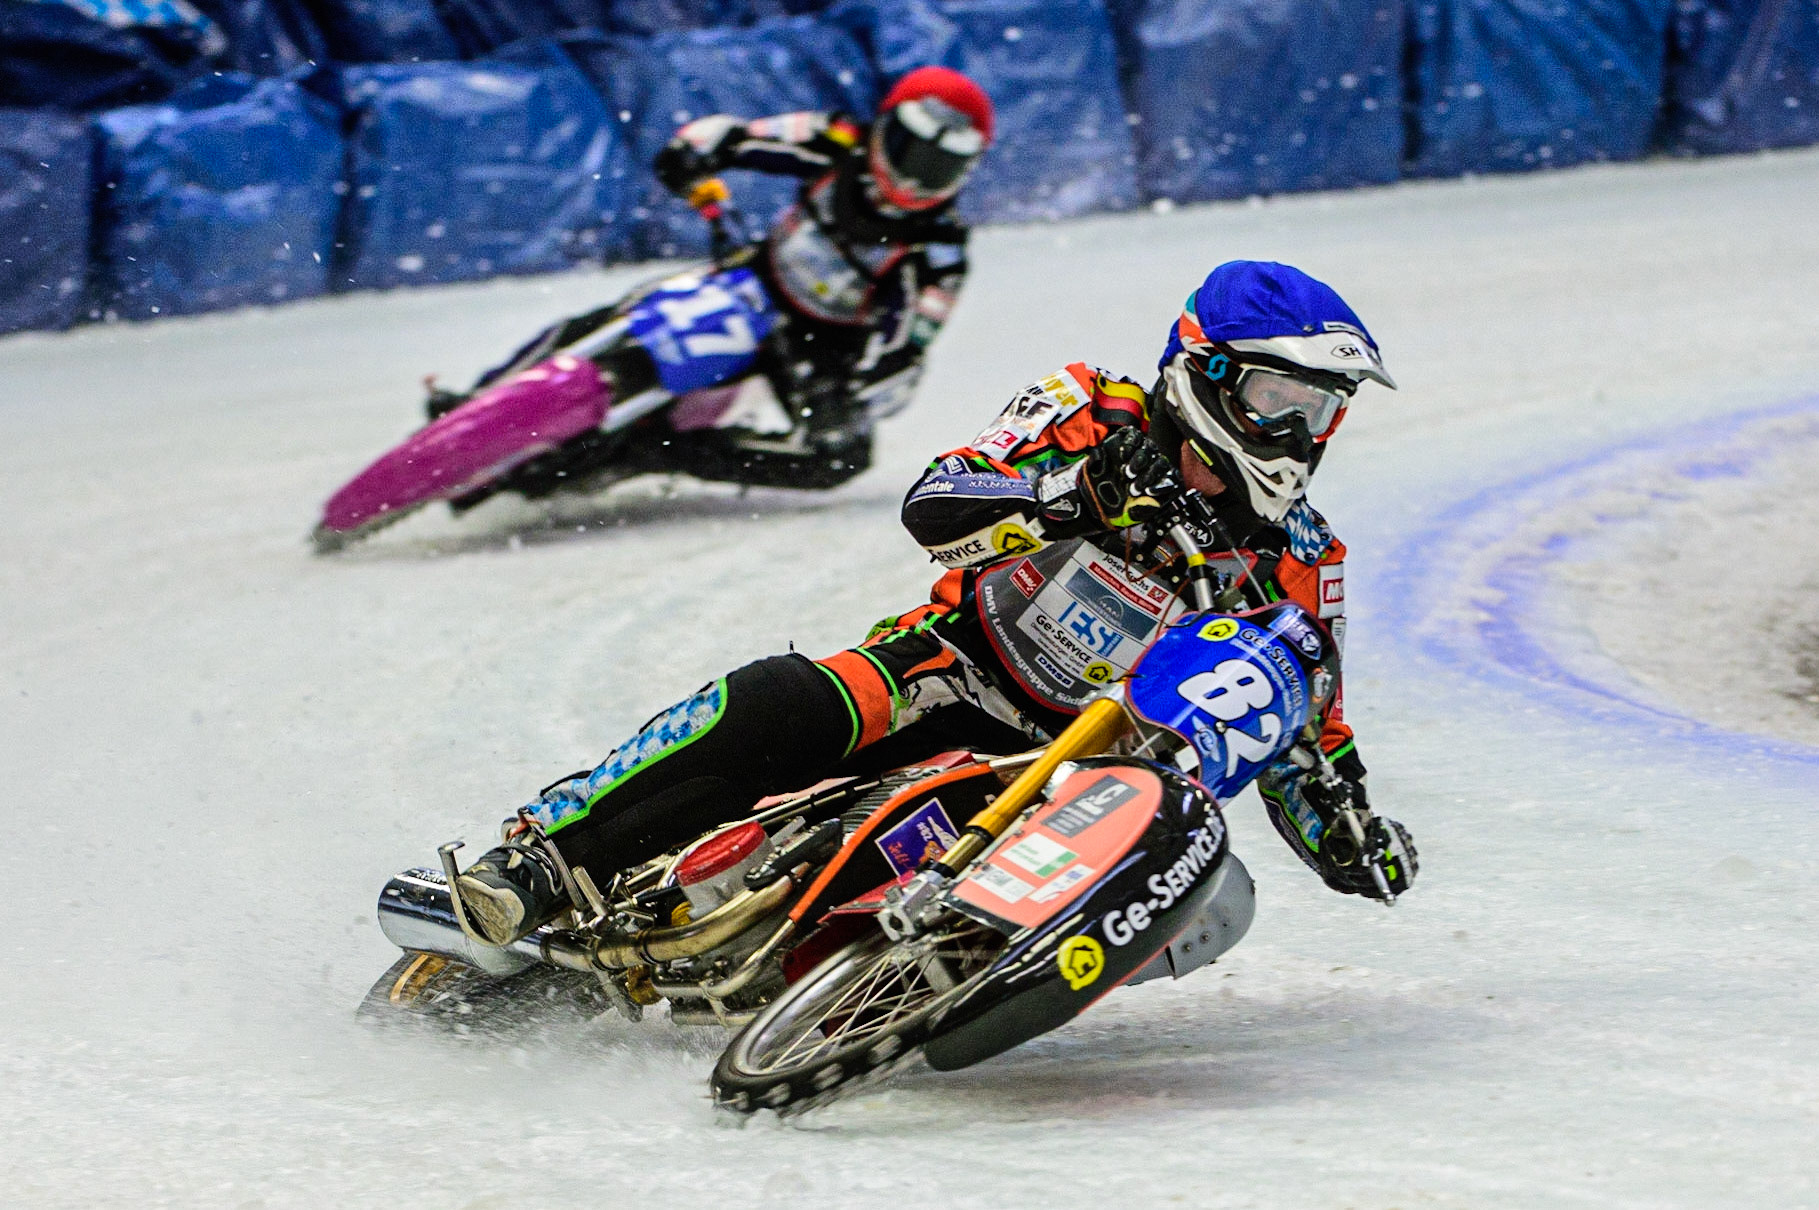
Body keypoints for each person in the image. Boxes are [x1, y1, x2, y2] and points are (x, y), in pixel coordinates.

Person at [455, 260, 1419, 945]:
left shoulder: (1300, 558)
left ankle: (930, 981)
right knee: (778, 700)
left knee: (1210, 898)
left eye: (1322, 411)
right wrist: (1070, 497)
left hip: (1083, 767)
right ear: (1201, 373)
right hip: (947, 665)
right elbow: (938, 503)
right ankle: (538, 859)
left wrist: (1347, 834)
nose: (1299, 434)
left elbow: (1305, 727)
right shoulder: (1091, 408)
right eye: (1278, 400)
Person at [427, 66, 995, 491]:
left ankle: (661, 452)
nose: (916, 178)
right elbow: (734, 136)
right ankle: (476, 401)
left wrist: (853, 398)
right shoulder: (837, 139)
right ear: (884, 127)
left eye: (939, 165)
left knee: (838, 460)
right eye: (908, 149)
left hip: (824, 343)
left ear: (966, 173)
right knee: (616, 318)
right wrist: (693, 156)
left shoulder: (942, 250)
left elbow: (911, 342)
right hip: (754, 277)